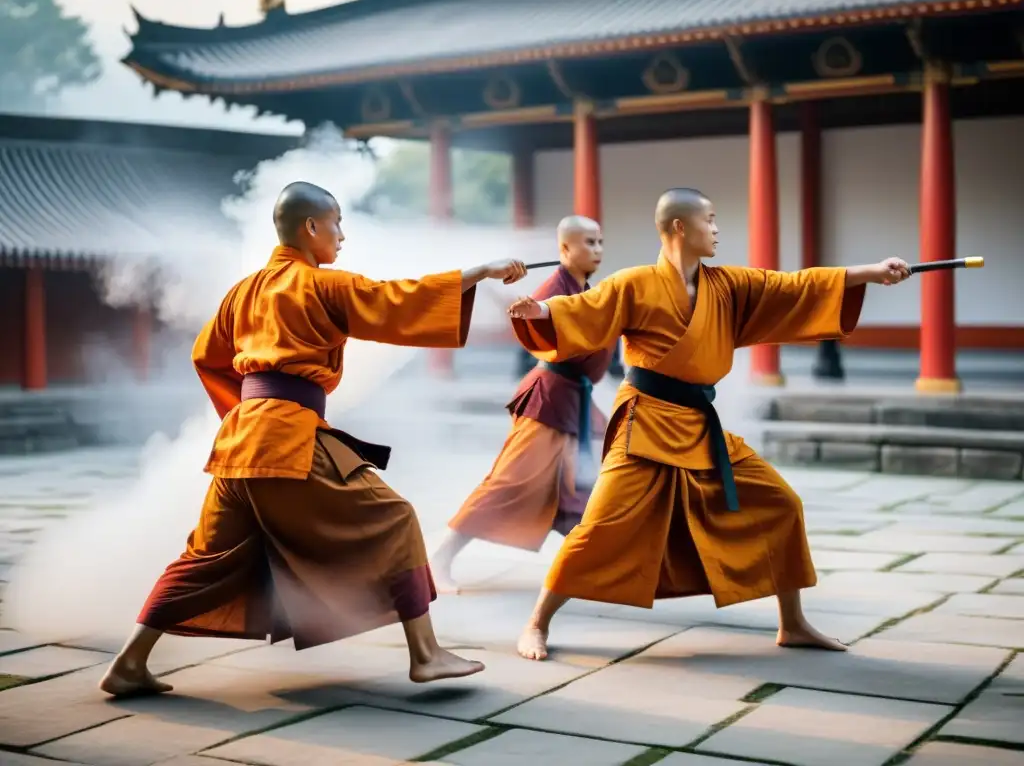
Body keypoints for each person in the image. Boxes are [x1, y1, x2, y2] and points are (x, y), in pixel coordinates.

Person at [98, 181, 528, 697]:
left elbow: (205, 356)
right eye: (337, 223)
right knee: (395, 519)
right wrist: (478, 271)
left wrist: (247, 412)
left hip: (239, 443)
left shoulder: (242, 291)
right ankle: (427, 654)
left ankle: (128, 663)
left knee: (204, 556)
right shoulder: (321, 285)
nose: (342, 235)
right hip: (287, 441)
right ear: (311, 227)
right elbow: (397, 300)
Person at [506, 187, 911, 661]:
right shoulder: (634, 283)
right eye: (710, 220)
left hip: (700, 425)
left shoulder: (728, 285)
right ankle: (536, 623)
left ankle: (793, 622)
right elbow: (582, 311)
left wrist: (869, 273)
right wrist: (541, 311)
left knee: (780, 503)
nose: (717, 229)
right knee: (601, 524)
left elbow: (793, 285)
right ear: (680, 227)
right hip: (647, 422)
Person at [430, 216, 614, 592]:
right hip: (548, 400)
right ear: (564, 249)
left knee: (579, 489)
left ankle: (592, 565)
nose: (596, 250)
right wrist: (534, 310)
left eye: (599, 242)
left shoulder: (584, 288)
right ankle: (439, 559)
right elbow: (540, 322)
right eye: (587, 243)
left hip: (575, 400)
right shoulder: (554, 287)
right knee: (508, 482)